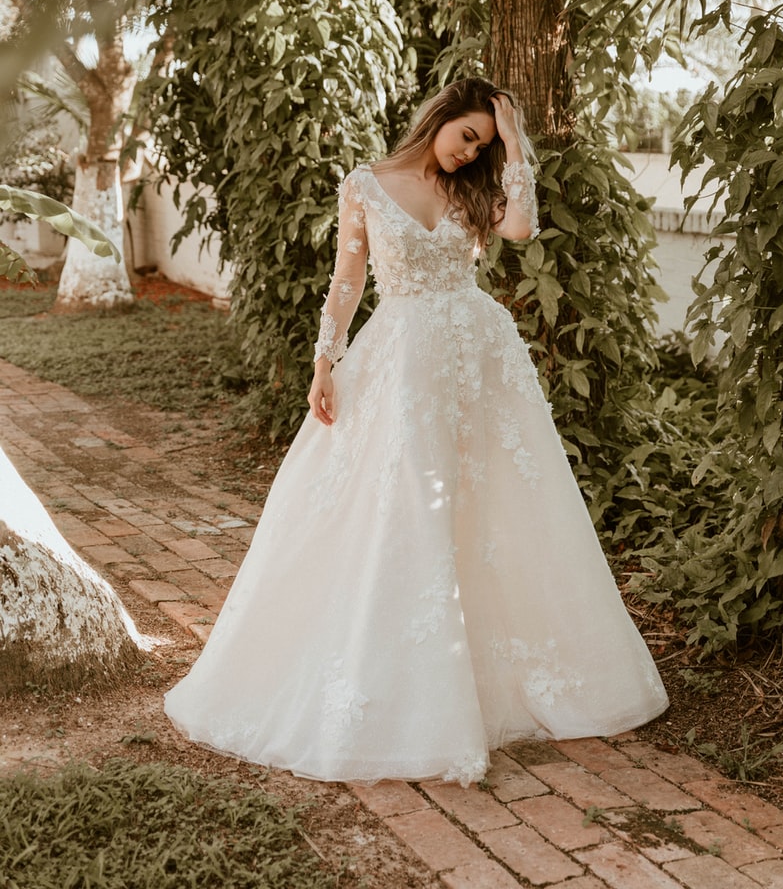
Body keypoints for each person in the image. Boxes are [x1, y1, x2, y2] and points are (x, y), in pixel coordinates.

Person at [164, 76, 668, 786]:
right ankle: (409, 681)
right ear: (440, 116)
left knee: (490, 503)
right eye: (468, 137)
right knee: (398, 502)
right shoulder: (364, 186)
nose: (470, 155)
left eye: (483, 146)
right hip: (401, 362)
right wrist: (324, 362)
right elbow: (347, 281)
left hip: (478, 361)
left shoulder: (475, 191)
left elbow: (521, 227)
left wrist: (515, 140)